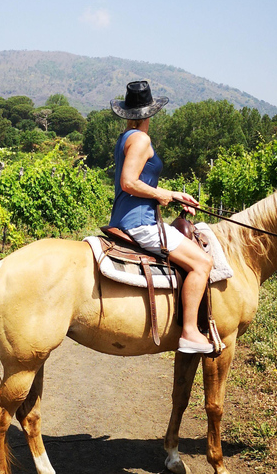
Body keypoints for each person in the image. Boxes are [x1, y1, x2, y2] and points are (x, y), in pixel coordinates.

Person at [109, 80, 215, 354]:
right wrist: (160, 195)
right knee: (203, 263)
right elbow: (128, 183)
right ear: (151, 112)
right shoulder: (142, 139)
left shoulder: (125, 137)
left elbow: (136, 183)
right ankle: (190, 332)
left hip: (129, 218)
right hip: (140, 223)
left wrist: (175, 195)